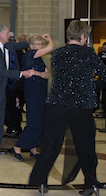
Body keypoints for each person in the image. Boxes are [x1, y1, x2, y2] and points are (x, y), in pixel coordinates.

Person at [29, 20, 104, 196]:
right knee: (86, 147)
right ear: (84, 36)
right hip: (81, 107)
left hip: (56, 105)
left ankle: (41, 182)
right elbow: (104, 74)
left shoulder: (57, 54)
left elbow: (63, 78)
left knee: (50, 145)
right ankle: (90, 184)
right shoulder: (88, 53)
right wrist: (91, 87)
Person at [0, 23, 33, 160]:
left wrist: (35, 40)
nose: (10, 35)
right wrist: (22, 74)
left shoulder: (4, 45)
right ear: (0, 34)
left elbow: (19, 46)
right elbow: (2, 72)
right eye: (8, 33)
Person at [10, 34, 53, 161]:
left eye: (41, 44)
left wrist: (38, 73)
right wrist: (49, 40)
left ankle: (33, 147)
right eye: (38, 44)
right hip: (33, 90)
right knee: (34, 120)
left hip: (41, 90)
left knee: (39, 120)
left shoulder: (38, 57)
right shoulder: (29, 54)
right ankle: (18, 147)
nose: (41, 46)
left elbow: (46, 75)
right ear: (31, 45)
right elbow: (50, 48)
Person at [4, 34, 29, 138]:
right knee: (16, 107)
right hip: (18, 84)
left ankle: (13, 127)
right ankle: (15, 127)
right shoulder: (21, 53)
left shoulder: (14, 53)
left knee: (11, 107)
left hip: (13, 84)